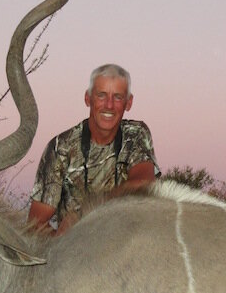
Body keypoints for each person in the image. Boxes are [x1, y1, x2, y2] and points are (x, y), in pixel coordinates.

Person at [28, 63, 159, 233]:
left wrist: (83, 214)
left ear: (129, 102)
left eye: (118, 97)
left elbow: (144, 184)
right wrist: (61, 242)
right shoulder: (61, 147)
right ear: (88, 98)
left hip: (126, 240)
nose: (109, 105)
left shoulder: (135, 134)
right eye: (101, 95)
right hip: (76, 247)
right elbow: (35, 225)